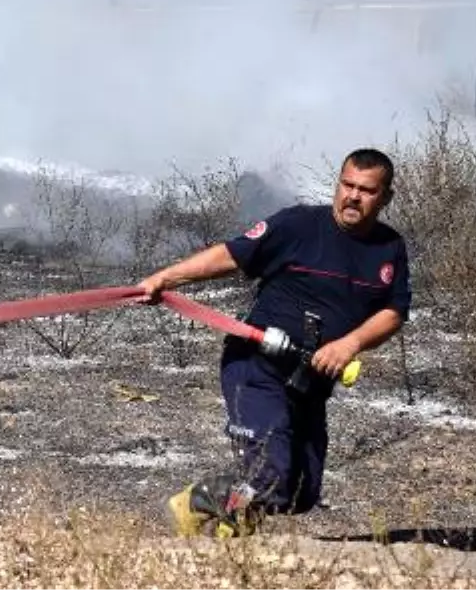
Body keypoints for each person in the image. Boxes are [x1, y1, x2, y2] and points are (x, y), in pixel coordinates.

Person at [137, 148, 411, 537]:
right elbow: (231, 256)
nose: (352, 196)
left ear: (385, 197)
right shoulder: (298, 225)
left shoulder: (390, 248)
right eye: (347, 185)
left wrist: (349, 344)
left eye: (366, 190)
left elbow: (394, 311)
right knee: (271, 473)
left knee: (300, 492)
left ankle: (229, 519)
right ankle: (202, 501)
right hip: (257, 368)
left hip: (309, 382)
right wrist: (165, 278)